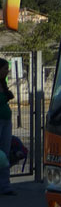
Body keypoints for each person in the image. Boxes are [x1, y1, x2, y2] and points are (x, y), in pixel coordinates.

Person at [0, 59, 14, 195]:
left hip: (6, 120)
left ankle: (5, 186)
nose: (7, 71)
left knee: (4, 154)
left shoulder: (3, 84)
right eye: (4, 69)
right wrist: (5, 97)